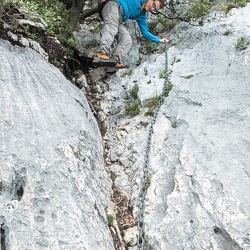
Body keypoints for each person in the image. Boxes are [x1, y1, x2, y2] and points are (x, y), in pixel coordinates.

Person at [93, 0, 169, 69]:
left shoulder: (141, 15)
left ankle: (114, 60)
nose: (152, 9)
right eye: (154, 5)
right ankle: (100, 53)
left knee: (127, 40)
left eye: (155, 10)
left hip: (118, 19)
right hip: (113, 6)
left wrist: (159, 40)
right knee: (112, 28)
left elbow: (145, 32)